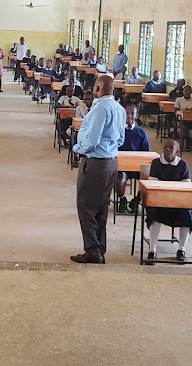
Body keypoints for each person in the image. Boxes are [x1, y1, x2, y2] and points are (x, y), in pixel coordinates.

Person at [70, 75, 125, 264]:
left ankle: (92, 250)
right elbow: (120, 140)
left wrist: (78, 148)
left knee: (85, 206)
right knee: (101, 206)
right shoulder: (119, 108)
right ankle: (100, 248)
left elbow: (92, 140)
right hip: (111, 162)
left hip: (96, 163)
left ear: (99, 87)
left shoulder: (100, 108)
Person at [145, 140, 192, 263]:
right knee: (154, 213)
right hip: (159, 201)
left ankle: (181, 249)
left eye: (171, 147)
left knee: (187, 214)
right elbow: (153, 185)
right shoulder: (156, 163)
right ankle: (152, 250)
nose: (167, 149)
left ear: (177, 151)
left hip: (178, 202)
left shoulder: (183, 165)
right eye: (165, 147)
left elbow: (186, 187)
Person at [115, 105, 150, 214]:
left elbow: (146, 153)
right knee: (120, 179)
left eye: (132, 113)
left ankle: (136, 200)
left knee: (148, 178)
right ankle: (122, 200)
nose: (129, 116)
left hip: (137, 166)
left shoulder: (141, 132)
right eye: (126, 113)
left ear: (136, 115)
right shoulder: (117, 130)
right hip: (122, 166)